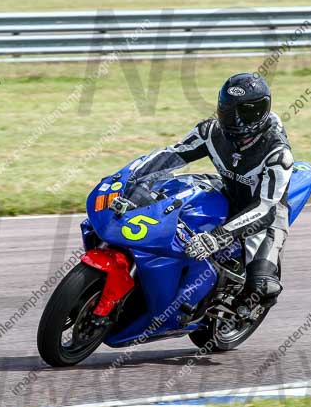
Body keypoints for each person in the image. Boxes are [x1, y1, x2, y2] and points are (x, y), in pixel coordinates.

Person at [113, 72, 294, 317]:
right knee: (166, 197)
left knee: (262, 286)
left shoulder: (278, 154)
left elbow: (266, 208)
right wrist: (132, 184)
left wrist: (217, 237)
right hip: (225, 190)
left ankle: (239, 308)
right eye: (231, 112)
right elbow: (172, 155)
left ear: (262, 111)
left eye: (247, 113)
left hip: (264, 213)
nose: (238, 121)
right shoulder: (211, 132)